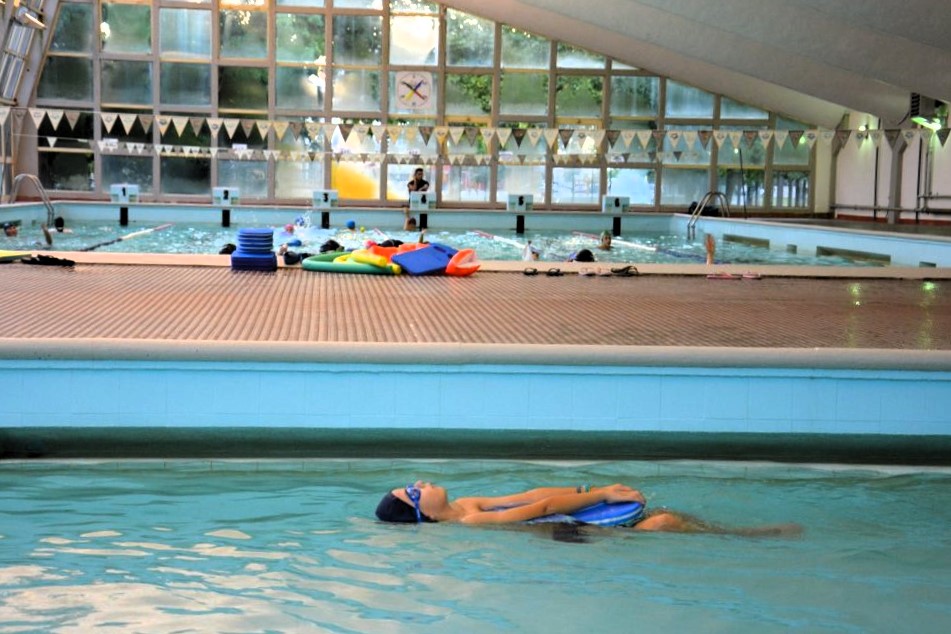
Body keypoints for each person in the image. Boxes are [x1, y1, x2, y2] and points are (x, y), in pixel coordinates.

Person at [376, 481, 802, 535]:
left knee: (668, 515)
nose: (420, 483)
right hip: (566, 533)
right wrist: (602, 496)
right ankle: (747, 536)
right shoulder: (472, 520)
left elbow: (530, 494)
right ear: (424, 515)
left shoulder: (466, 502)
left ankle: (728, 532)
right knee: (663, 522)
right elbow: (541, 508)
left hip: (561, 514)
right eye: (413, 492)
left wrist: (584, 487)